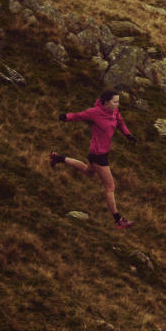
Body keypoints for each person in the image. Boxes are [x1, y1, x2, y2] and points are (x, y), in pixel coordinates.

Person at [50, 89, 137, 229]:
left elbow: (120, 122)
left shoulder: (114, 111)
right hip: (98, 154)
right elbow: (78, 116)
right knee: (110, 187)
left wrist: (128, 135)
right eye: (115, 102)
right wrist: (65, 117)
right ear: (106, 101)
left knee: (88, 171)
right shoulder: (95, 112)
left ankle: (57, 158)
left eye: (118, 102)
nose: (117, 104)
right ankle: (118, 220)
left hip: (101, 151)